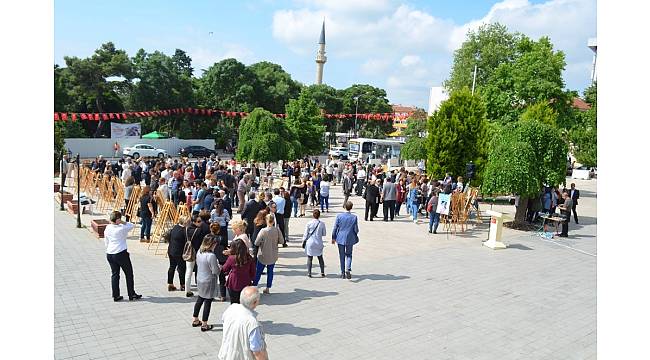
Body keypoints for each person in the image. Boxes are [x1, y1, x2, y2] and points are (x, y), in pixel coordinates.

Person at [217, 286, 268, 360]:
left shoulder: (231, 308)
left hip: (225, 355)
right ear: (255, 302)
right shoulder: (252, 323)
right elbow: (257, 352)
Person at [104, 211, 142, 301]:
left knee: (115, 274)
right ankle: (131, 294)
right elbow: (132, 225)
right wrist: (122, 222)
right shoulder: (121, 228)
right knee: (129, 274)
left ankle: (116, 295)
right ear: (117, 220)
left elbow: (106, 241)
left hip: (109, 253)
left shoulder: (108, 227)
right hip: (120, 253)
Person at [191, 234, 221, 332]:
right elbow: (215, 271)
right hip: (209, 281)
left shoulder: (199, 252)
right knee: (208, 302)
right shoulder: (211, 256)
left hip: (200, 279)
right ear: (211, 244)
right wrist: (219, 267)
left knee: (200, 299)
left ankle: (195, 319)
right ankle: (204, 324)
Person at [253, 214, 282, 294]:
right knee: (270, 272)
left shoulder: (263, 231)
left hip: (263, 254)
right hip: (273, 254)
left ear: (266, 220)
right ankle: (268, 288)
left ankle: (254, 286)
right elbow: (282, 241)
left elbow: (256, 242)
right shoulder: (277, 230)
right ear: (273, 221)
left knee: (258, 271)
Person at [222, 239, 256, 304]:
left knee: (234, 303)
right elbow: (253, 273)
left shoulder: (231, 258)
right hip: (246, 283)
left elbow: (224, 269)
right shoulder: (249, 258)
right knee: (244, 304)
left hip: (233, 282)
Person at [332, 201, 359, 279]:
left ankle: (342, 272)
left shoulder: (339, 216)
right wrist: (355, 234)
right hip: (350, 238)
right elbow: (356, 229)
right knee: (349, 254)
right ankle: (348, 268)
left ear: (344, 207)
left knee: (342, 255)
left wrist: (333, 237)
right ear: (351, 207)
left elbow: (335, 228)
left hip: (340, 238)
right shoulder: (354, 217)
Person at [167, 215, 190, 292]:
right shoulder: (184, 231)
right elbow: (187, 242)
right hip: (179, 252)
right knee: (181, 268)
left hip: (171, 250)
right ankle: (182, 285)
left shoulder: (175, 227)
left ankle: (170, 284)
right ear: (184, 222)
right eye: (188, 222)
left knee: (172, 267)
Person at [185, 215, 204, 297]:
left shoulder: (187, 229)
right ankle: (200, 288)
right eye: (199, 221)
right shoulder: (199, 230)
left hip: (189, 251)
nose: (201, 223)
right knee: (199, 271)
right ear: (194, 222)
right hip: (197, 252)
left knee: (188, 271)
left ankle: (187, 290)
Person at [303, 209, 326, 278]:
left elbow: (305, 234)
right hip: (318, 242)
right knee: (320, 257)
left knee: (310, 258)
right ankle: (322, 272)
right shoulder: (322, 223)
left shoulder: (309, 223)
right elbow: (324, 234)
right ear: (319, 215)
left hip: (310, 242)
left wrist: (303, 241)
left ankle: (309, 273)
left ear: (313, 215)